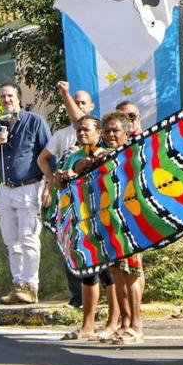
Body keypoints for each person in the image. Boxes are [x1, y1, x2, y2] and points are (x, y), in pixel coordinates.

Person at [75, 111, 144, 343]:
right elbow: (76, 167)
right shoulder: (100, 156)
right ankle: (124, 324)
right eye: (108, 131)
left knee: (132, 273)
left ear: (126, 133)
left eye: (116, 130)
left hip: (130, 221)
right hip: (108, 222)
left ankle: (136, 326)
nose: (112, 134)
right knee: (116, 274)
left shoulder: (134, 152)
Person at [0, 81, 51, 305]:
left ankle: (32, 286)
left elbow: (48, 154)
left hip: (29, 187)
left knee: (29, 238)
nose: (6, 100)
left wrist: (48, 186)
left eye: (10, 96)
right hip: (6, 188)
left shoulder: (35, 121)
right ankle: (18, 284)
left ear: (19, 98)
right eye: (3, 97)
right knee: (11, 240)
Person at [55, 114, 120, 341]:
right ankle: (87, 325)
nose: (82, 133)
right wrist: (66, 174)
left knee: (109, 273)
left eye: (87, 130)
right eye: (79, 130)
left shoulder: (105, 154)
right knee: (88, 273)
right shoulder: (70, 154)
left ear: (98, 133)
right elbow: (59, 182)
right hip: (80, 220)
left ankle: (113, 322)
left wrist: (84, 167)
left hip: (104, 218)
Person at [38, 81, 96, 307]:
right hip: (66, 200)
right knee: (70, 245)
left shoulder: (96, 131)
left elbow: (78, 120)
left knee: (92, 247)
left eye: (83, 102)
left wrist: (65, 94)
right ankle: (77, 296)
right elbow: (43, 158)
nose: (79, 105)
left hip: (91, 200)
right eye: (75, 101)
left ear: (91, 106)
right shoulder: (63, 135)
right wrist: (50, 182)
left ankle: (97, 296)